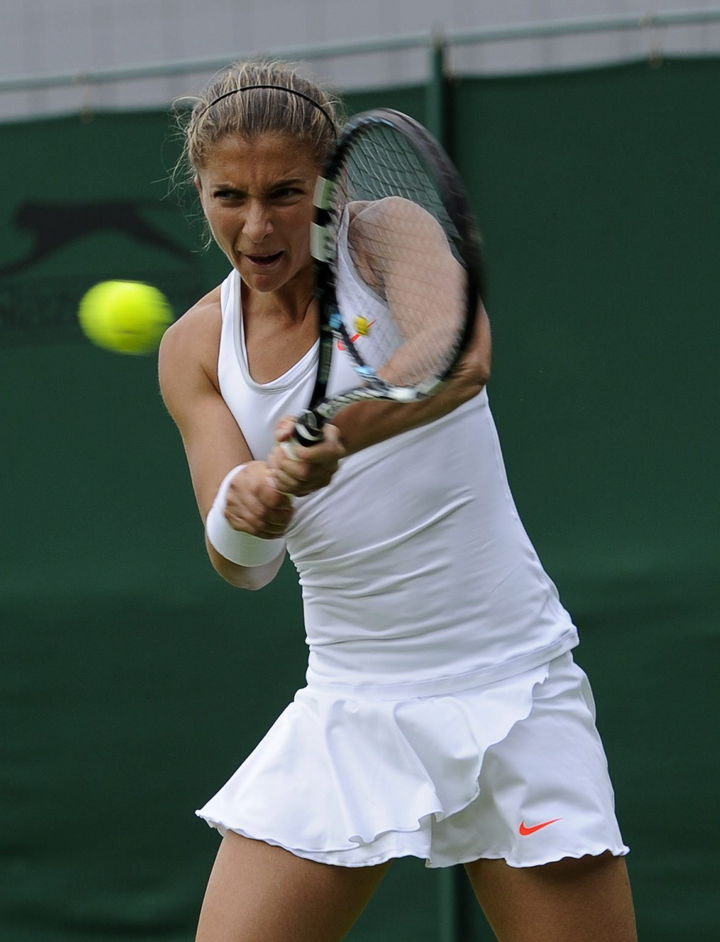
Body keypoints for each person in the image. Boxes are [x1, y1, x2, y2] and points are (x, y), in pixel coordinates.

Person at [159, 59, 637, 942]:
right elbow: (241, 565)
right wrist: (253, 508)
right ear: (201, 192)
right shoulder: (193, 348)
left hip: (512, 688)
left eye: (286, 193)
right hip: (349, 707)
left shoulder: (384, 235)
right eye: (230, 196)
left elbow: (459, 356)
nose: (257, 226)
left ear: (330, 184)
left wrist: (337, 434)